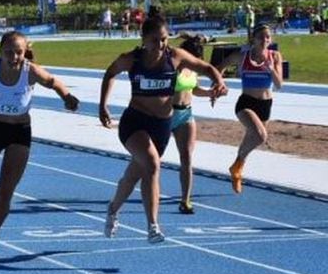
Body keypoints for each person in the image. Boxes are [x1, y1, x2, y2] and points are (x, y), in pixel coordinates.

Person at [0, 31, 80, 263]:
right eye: (8, 52)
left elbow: (53, 82)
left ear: (24, 51)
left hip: (20, 133)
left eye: (18, 52)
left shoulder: (31, 71)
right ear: (0, 52)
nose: (14, 57)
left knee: (5, 193)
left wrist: (67, 96)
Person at [99, 16, 227, 243]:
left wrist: (219, 82)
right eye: (155, 40)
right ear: (143, 39)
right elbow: (110, 73)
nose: (161, 45)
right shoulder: (131, 59)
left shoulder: (175, 57)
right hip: (135, 123)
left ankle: (112, 209)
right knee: (152, 165)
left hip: (161, 126)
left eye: (164, 39)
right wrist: (103, 105)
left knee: (132, 176)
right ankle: (152, 226)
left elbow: (206, 67)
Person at [217, 24, 284, 194]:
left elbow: (279, 84)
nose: (265, 40)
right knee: (260, 136)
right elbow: (220, 67)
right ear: (253, 39)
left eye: (268, 37)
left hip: (265, 105)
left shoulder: (274, 56)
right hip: (246, 103)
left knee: (250, 140)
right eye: (261, 37)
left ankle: (237, 168)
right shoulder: (242, 57)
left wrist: (270, 69)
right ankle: (237, 167)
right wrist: (219, 83)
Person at [170, 34, 220, 214]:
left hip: (186, 114)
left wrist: (210, 93)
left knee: (187, 158)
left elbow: (194, 89)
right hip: (166, 114)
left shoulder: (193, 70)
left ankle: (185, 200)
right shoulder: (172, 67)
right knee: (151, 159)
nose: (195, 62)